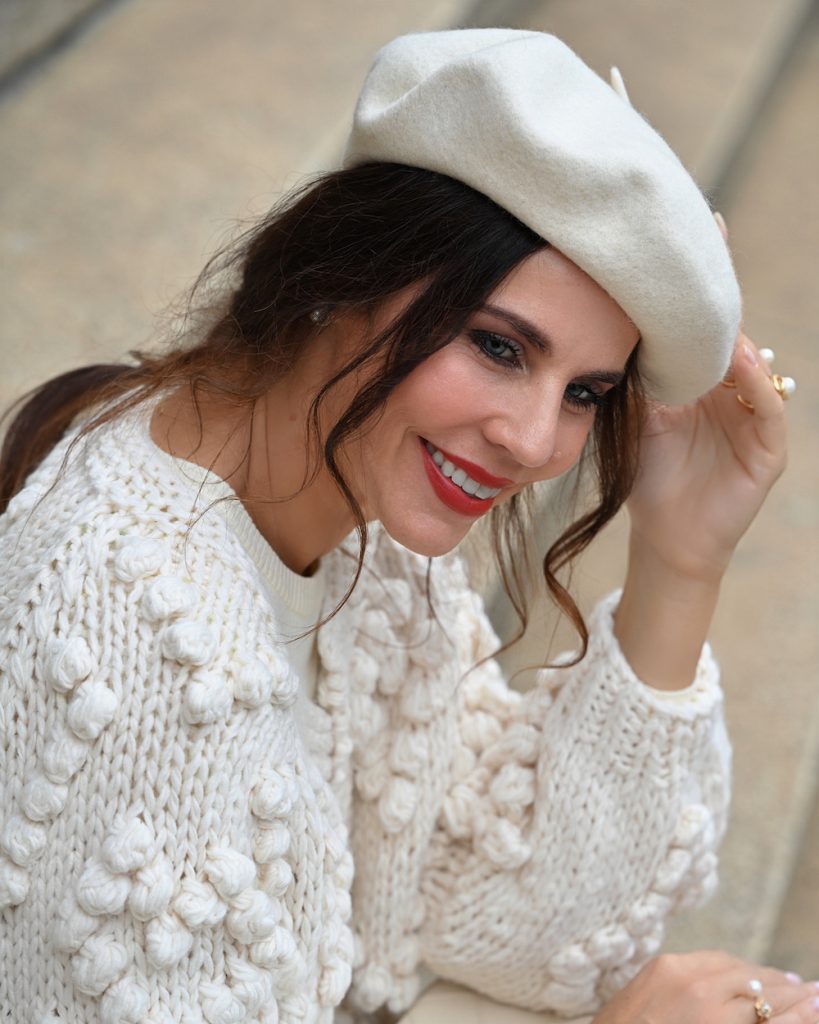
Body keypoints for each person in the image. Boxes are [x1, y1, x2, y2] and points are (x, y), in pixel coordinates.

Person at [0, 26, 812, 1024]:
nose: (533, 441)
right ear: (344, 273)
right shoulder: (131, 633)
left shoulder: (369, 524)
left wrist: (683, 559)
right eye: (499, 347)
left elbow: (507, 911)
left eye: (586, 392)